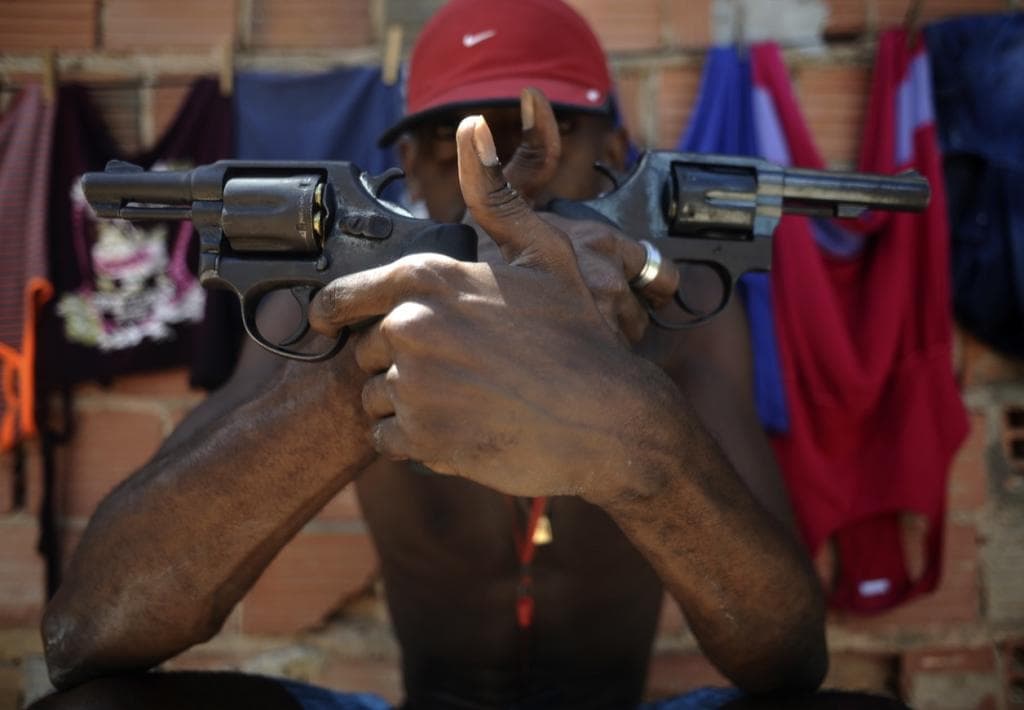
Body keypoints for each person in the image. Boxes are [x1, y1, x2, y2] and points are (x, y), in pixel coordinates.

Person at [32, 0, 836, 708]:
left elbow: (788, 651)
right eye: (461, 141)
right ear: (410, 162)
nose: (502, 180)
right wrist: (361, 380)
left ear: (609, 148)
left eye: (541, 133)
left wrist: (629, 417)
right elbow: (87, 633)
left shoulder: (679, 311)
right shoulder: (321, 303)